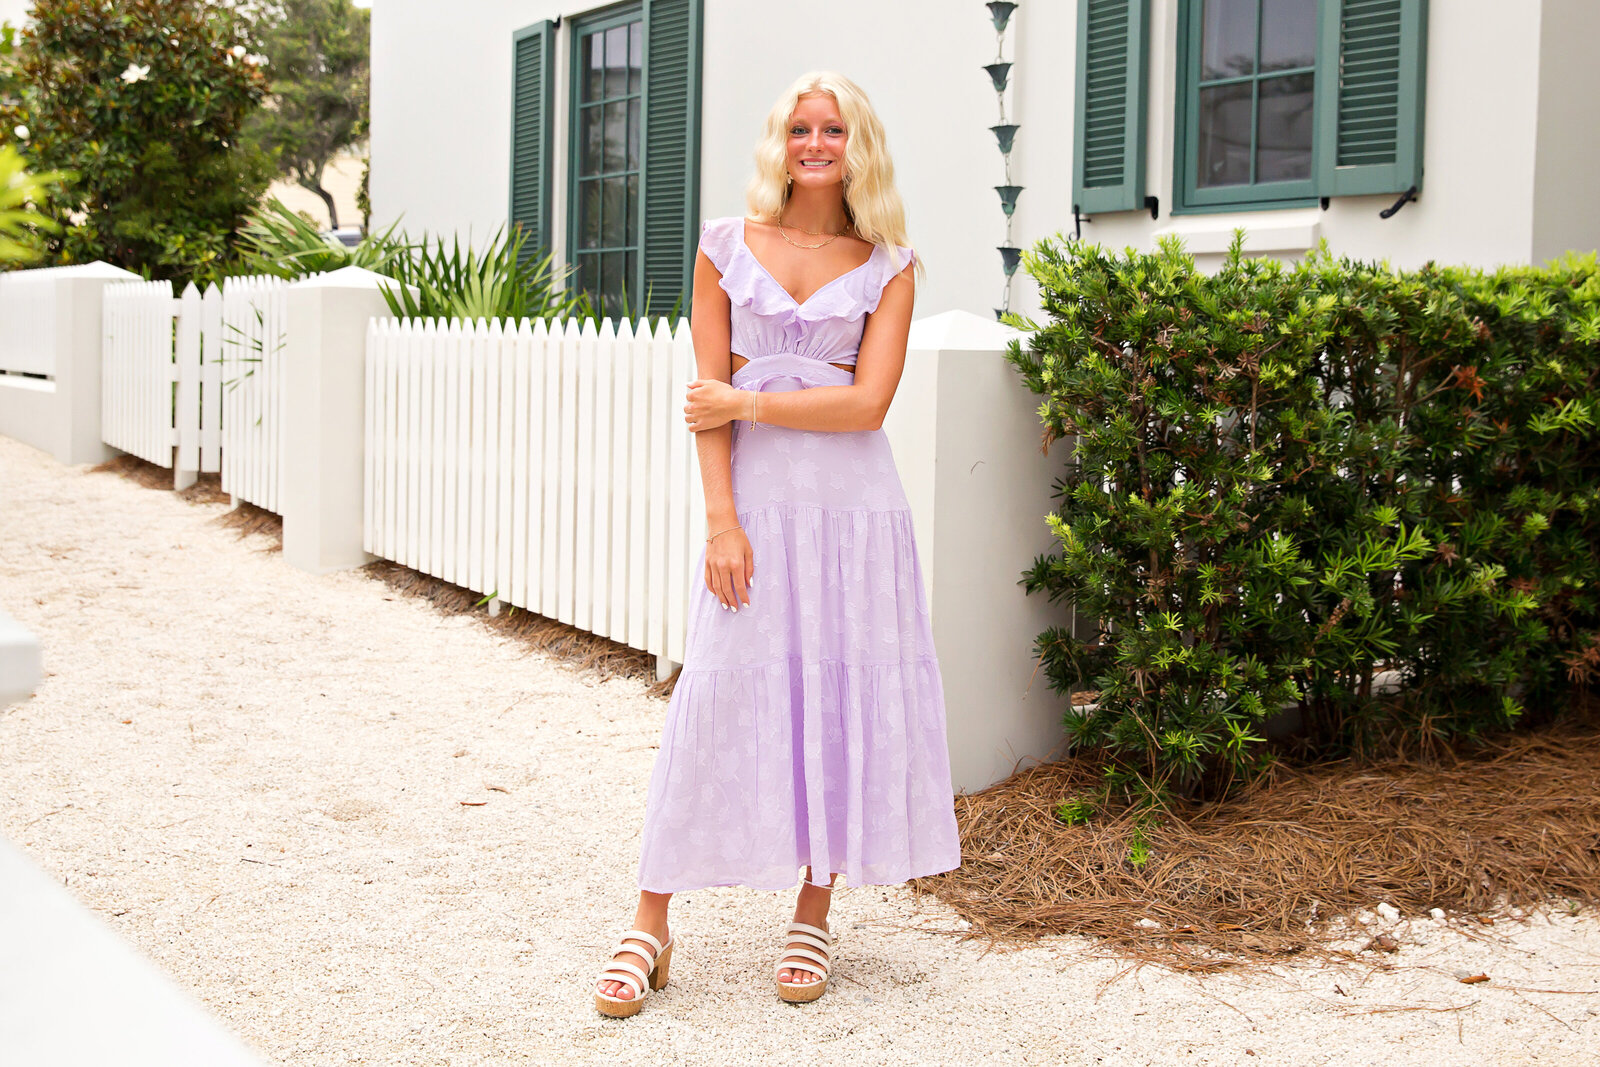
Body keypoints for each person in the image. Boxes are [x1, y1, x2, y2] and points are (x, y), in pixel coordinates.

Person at [593, 70, 961, 1017]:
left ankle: (812, 909)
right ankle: (649, 919)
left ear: (857, 145)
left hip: (854, 514)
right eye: (800, 127)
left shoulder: (892, 266)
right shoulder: (725, 246)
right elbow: (701, 406)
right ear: (779, 140)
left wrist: (750, 398)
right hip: (755, 507)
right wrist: (722, 520)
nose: (814, 143)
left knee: (835, 692)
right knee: (712, 698)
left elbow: (867, 405)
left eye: (832, 129)